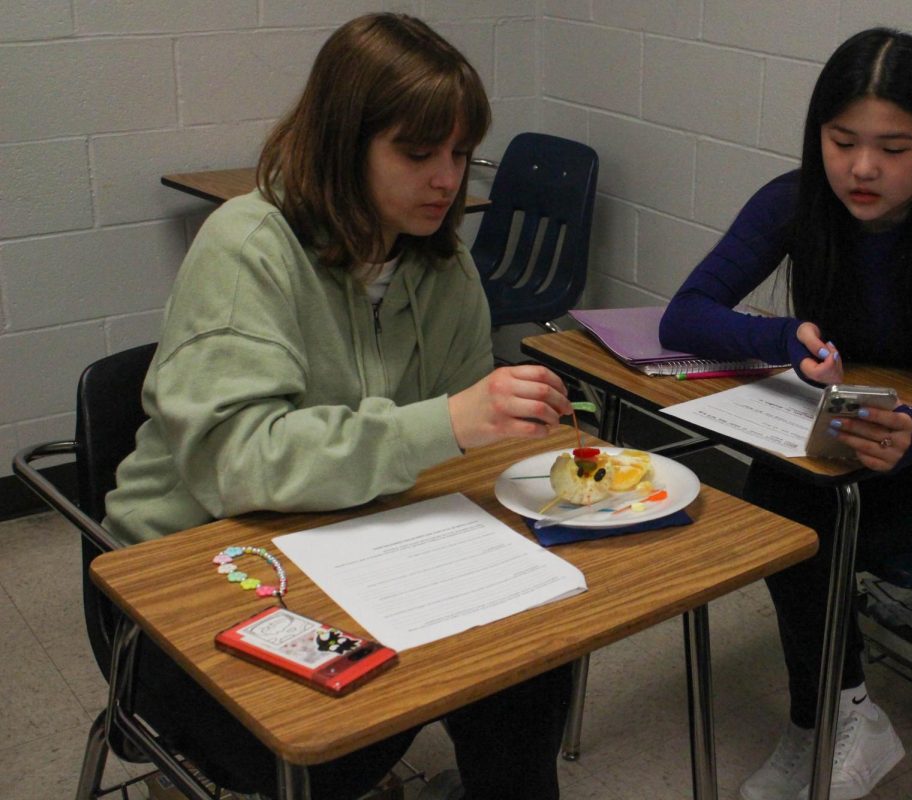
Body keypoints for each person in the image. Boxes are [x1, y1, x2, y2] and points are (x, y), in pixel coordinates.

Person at [105, 13, 575, 800]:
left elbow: (452, 461)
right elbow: (238, 465)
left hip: (357, 544)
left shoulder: (443, 262)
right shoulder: (247, 247)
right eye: (417, 153)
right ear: (341, 143)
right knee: (331, 737)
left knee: (529, 662)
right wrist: (449, 422)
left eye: (460, 154)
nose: (446, 180)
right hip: (196, 570)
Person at [660, 28, 912, 800]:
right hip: (851, 422)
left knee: (808, 522)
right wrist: (783, 339)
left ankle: (833, 718)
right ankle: (832, 713)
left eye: (895, 147)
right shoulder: (796, 200)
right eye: (842, 140)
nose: (863, 167)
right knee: (781, 496)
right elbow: (683, 317)